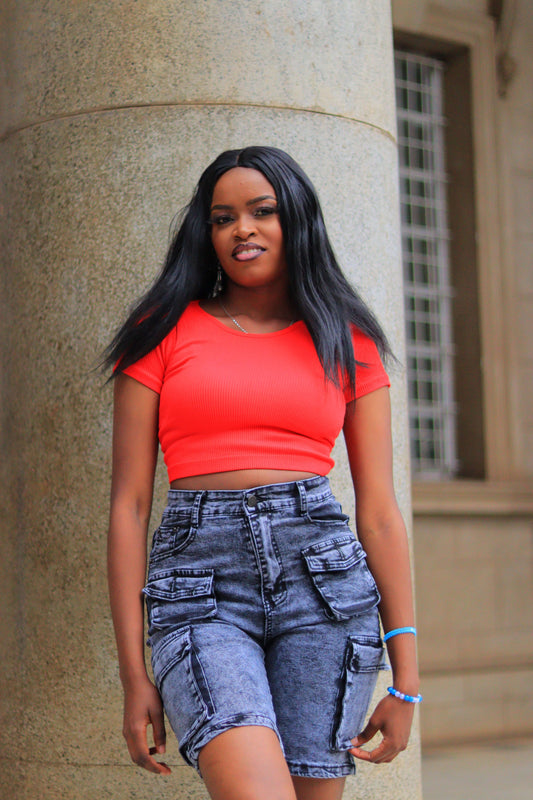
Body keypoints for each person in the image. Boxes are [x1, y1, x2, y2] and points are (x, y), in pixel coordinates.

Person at [106, 145, 420, 800]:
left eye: (261, 212)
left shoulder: (346, 339)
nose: (240, 229)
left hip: (324, 586)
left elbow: (380, 513)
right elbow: (130, 505)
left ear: (296, 220)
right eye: (222, 218)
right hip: (199, 590)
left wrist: (405, 678)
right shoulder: (161, 328)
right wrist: (134, 674)